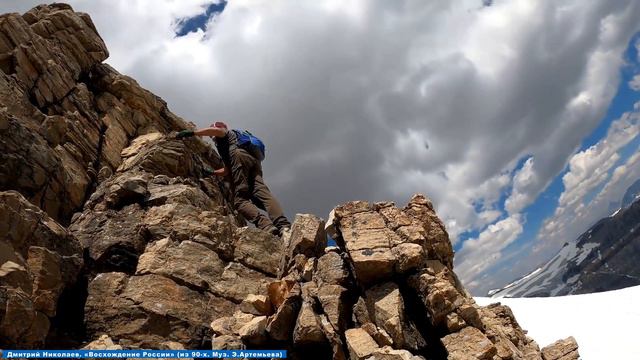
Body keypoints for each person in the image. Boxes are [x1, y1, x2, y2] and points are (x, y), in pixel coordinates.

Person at [176, 122, 291, 237]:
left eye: (212, 134)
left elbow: (218, 131)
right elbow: (227, 170)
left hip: (240, 157)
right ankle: (283, 225)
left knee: (240, 200)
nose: (212, 137)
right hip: (255, 163)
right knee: (263, 193)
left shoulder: (226, 134)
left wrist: (192, 132)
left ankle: (266, 225)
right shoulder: (234, 141)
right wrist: (212, 172)